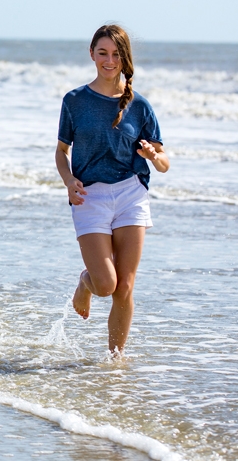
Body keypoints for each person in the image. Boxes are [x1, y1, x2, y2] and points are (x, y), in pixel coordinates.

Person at [55, 24, 170, 356]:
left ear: (125, 58)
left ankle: (114, 362)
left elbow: (164, 162)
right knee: (106, 284)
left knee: (126, 287)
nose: (109, 61)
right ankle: (85, 283)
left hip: (131, 194)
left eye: (116, 54)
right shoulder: (75, 101)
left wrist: (153, 155)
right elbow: (61, 152)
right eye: (102, 53)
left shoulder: (140, 106)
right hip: (89, 196)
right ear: (91, 54)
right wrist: (68, 181)